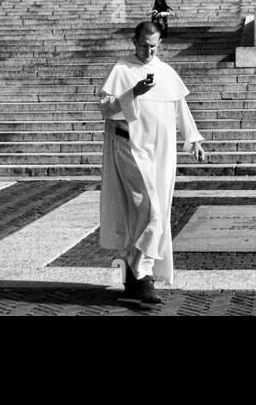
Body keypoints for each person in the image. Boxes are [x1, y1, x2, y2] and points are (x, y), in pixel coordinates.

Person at [98, 21, 207, 307]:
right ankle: (141, 273)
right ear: (134, 42)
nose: (148, 51)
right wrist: (133, 92)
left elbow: (180, 107)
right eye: (144, 45)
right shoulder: (122, 70)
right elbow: (106, 109)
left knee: (152, 210)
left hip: (162, 150)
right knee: (151, 210)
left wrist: (193, 139)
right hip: (130, 147)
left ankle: (134, 278)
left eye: (154, 46)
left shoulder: (166, 71)